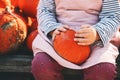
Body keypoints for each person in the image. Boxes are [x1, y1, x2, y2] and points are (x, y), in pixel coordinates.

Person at [31, 0, 120, 80]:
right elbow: (45, 11)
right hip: (58, 36)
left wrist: (97, 33)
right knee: (42, 66)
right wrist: (52, 28)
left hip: (96, 41)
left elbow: (112, 16)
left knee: (103, 71)